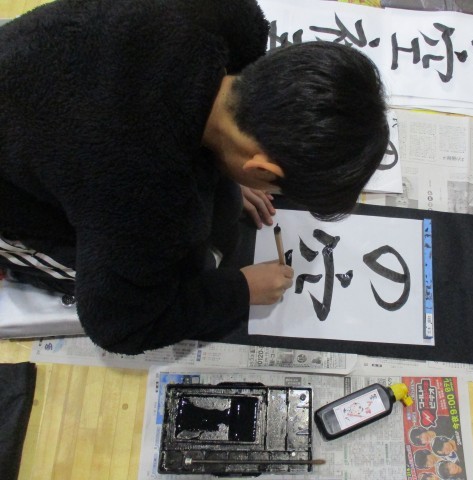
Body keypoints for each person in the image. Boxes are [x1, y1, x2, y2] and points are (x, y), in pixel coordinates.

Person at [0, 0, 389, 354]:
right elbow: (120, 326)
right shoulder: (144, 197)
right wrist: (240, 291)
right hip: (13, 188)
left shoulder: (231, 18)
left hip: (33, 60)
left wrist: (234, 163)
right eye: (273, 183)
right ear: (261, 170)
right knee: (177, 272)